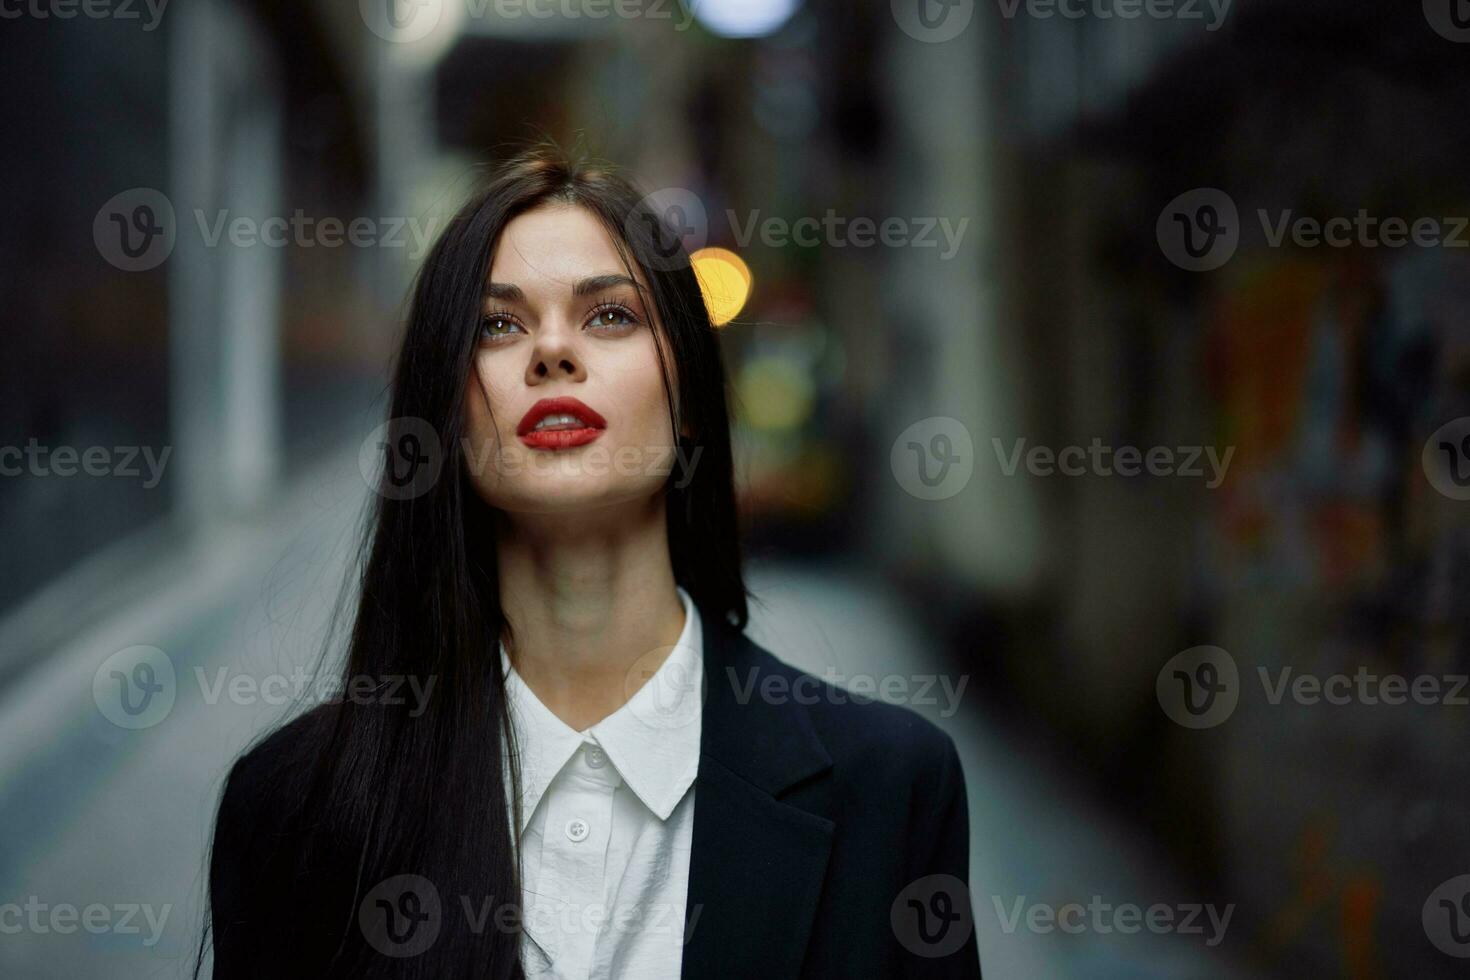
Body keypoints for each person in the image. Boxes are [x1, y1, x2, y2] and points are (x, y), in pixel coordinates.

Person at [201, 144, 982, 979]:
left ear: (689, 404)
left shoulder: (891, 790)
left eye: (610, 315)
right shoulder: (293, 807)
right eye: (497, 324)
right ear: (446, 417)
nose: (551, 352)